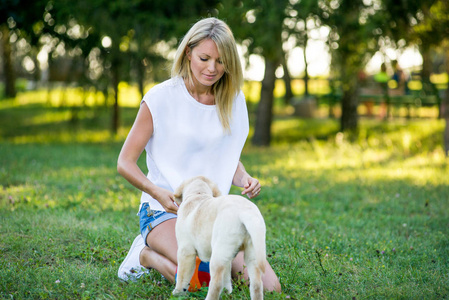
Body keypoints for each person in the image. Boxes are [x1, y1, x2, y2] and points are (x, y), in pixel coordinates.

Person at [116, 17, 282, 293]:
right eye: (204, 58)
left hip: (214, 212)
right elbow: (124, 162)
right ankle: (145, 255)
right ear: (188, 52)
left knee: (269, 286)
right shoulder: (160, 98)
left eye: (220, 61)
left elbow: (223, 155)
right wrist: (156, 192)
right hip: (165, 210)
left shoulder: (233, 99)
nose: (212, 68)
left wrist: (244, 177)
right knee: (196, 279)